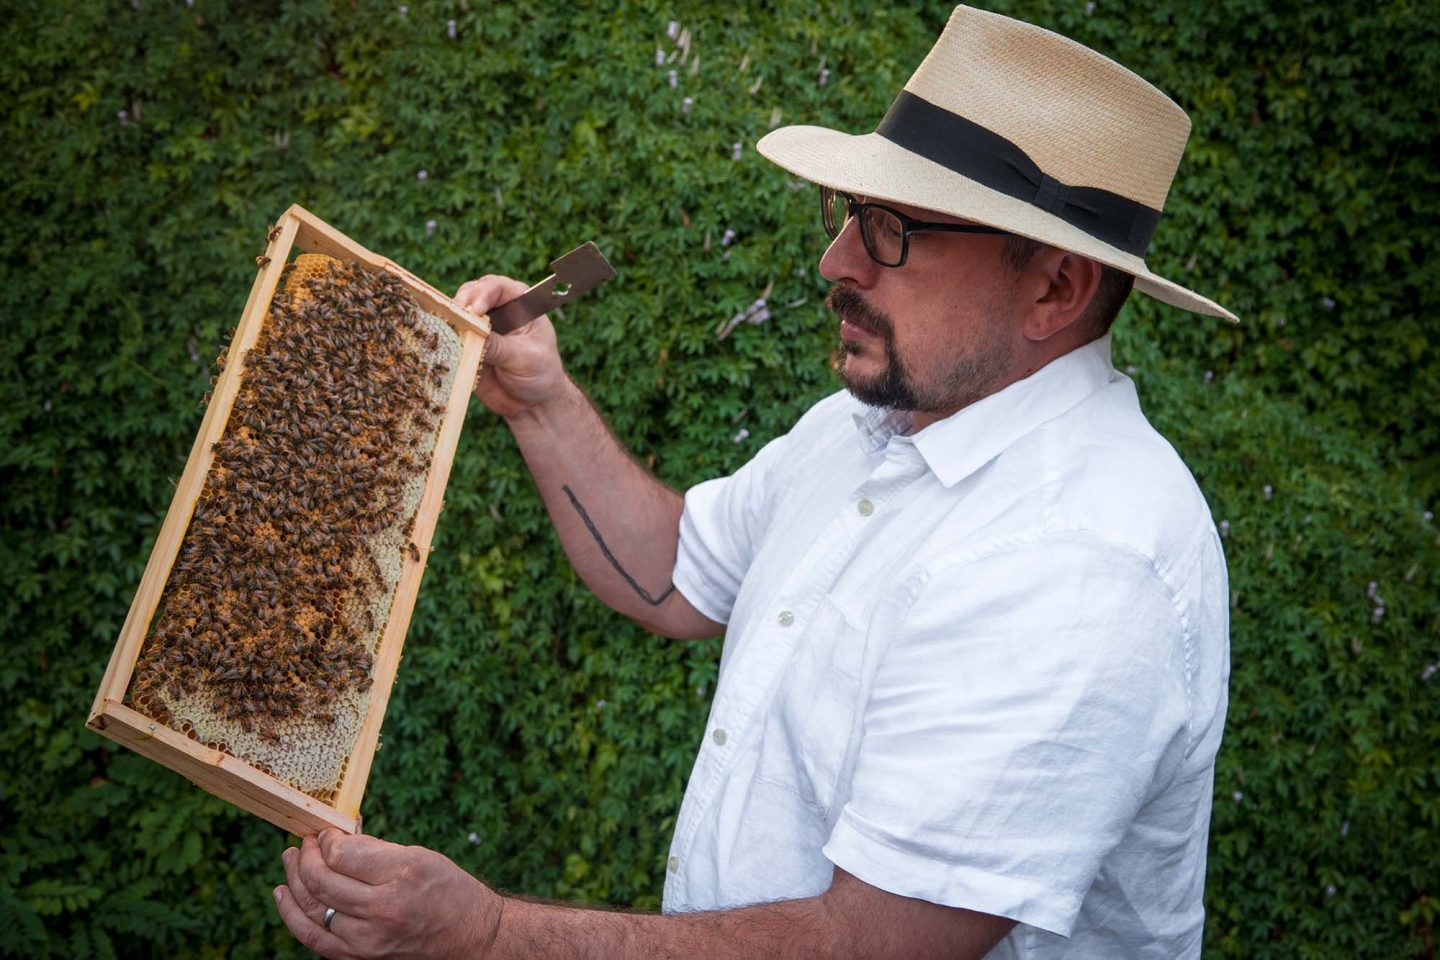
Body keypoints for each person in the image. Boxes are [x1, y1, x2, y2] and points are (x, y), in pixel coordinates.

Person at [273, 6, 1233, 958]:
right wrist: (541, 403)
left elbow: (869, 943)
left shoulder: (1080, 563)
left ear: (1056, 289)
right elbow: (678, 572)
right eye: (851, 215)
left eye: (893, 229)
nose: (837, 261)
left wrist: (487, 935)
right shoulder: (871, 427)